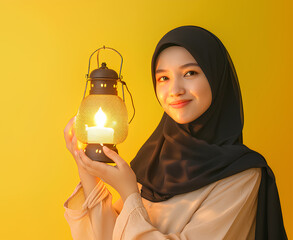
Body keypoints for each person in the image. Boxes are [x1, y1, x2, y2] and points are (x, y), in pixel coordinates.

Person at [63, 26, 287, 240]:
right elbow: (108, 236)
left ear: (215, 77)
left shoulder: (241, 175)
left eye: (190, 73)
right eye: (164, 78)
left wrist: (130, 194)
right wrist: (86, 168)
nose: (175, 91)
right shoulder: (153, 161)